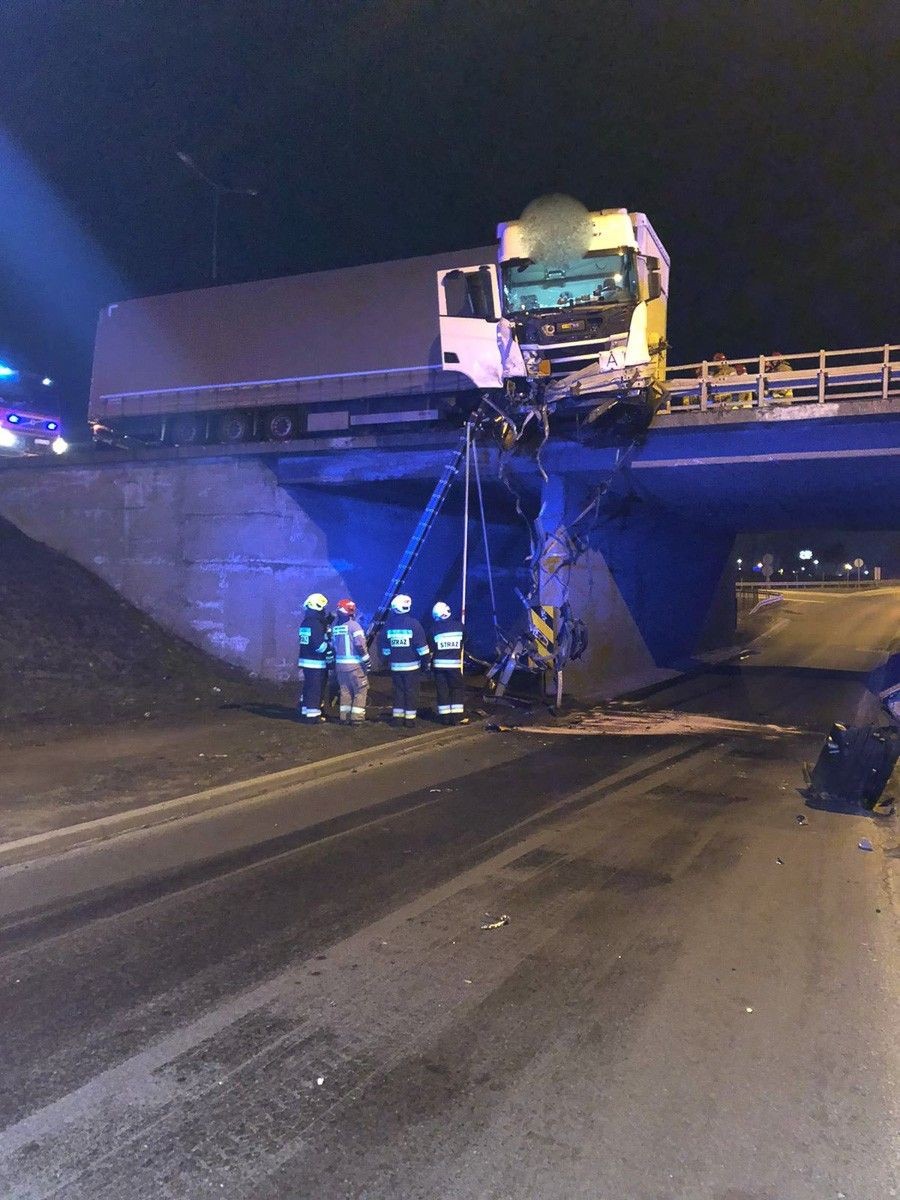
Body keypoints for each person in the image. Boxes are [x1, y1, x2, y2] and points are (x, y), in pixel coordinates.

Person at [379, 594, 430, 728]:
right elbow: (422, 648)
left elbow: (385, 648)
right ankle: (409, 720)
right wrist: (426, 662)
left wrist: (386, 660)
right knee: (411, 692)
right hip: (412, 667)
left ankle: (397, 719)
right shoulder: (414, 624)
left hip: (396, 666)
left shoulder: (389, 625)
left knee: (398, 692)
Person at [332, 598, 370, 725]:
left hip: (340, 667)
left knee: (345, 691)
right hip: (355, 666)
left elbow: (333, 646)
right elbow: (360, 645)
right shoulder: (355, 626)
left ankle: (344, 717)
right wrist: (367, 661)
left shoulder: (336, 628)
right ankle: (357, 719)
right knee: (360, 690)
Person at [430, 601, 468, 725]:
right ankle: (456, 717)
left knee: (442, 690)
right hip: (454, 665)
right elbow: (465, 639)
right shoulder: (459, 626)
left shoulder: (434, 628)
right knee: (457, 688)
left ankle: (445, 718)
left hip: (439, 666)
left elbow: (431, 646)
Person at [297, 592, 332, 723]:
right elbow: (319, 645)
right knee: (315, 689)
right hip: (316, 662)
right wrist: (330, 649)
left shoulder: (306, 622)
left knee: (308, 687)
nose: (324, 610)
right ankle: (313, 716)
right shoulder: (315, 623)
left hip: (307, 660)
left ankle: (305, 710)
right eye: (323, 607)